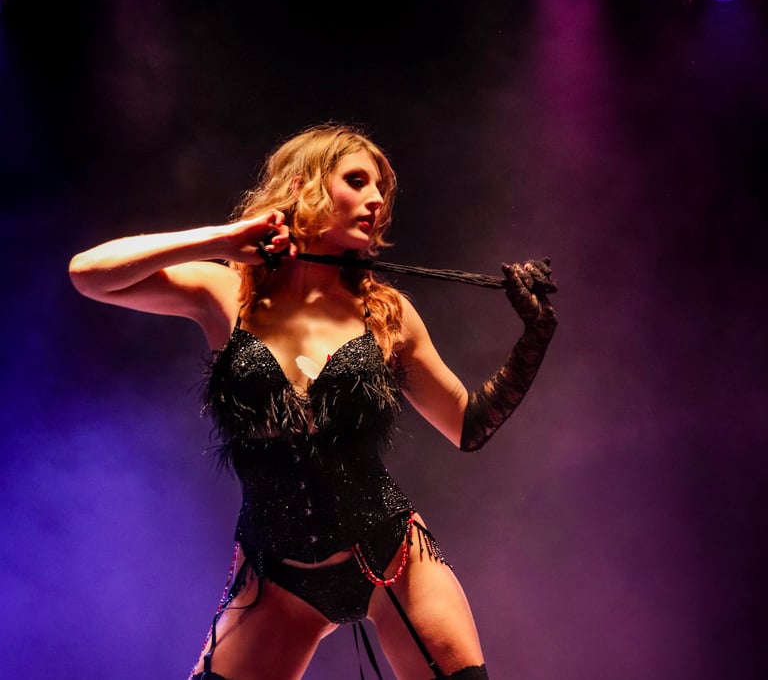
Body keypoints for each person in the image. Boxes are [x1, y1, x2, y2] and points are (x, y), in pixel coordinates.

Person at [68, 122, 557, 680]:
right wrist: (221, 241)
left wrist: (534, 337)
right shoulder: (226, 293)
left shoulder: (387, 313)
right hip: (276, 578)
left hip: (392, 557)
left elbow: (467, 424)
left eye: (381, 190)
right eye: (357, 181)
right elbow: (89, 275)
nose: (376, 200)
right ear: (304, 186)